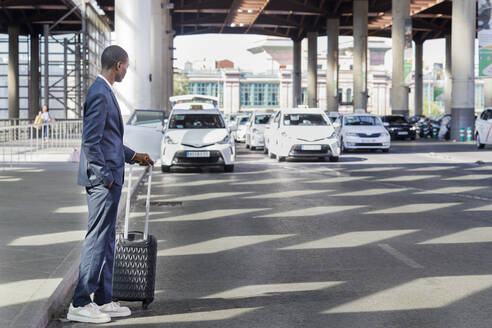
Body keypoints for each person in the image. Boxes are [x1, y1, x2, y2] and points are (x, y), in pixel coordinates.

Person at [67, 45, 154, 324]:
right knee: (97, 240)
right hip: (102, 182)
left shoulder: (104, 91)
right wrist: (106, 178)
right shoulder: (100, 93)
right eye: (126, 66)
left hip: (109, 178)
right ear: (118, 65)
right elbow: (90, 143)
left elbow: (110, 141)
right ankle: (80, 302)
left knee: (107, 241)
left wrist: (134, 156)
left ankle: (103, 300)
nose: (127, 70)